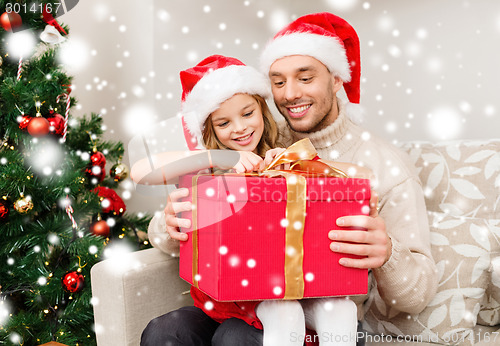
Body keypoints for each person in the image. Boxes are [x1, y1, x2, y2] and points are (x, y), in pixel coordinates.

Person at [155, 12, 439, 345]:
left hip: (321, 309)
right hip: (241, 297)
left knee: (236, 337)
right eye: (278, 81)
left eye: (305, 78)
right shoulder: (260, 140)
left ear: (336, 80)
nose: (289, 94)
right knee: (166, 330)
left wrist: (388, 253)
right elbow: (180, 230)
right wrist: (172, 222)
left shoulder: (386, 165)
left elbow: (417, 295)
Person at [136, 55, 371, 346]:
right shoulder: (204, 171)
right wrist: (221, 157)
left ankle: (328, 319)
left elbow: (360, 177)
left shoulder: (280, 157)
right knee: (164, 331)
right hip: (221, 304)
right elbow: (141, 172)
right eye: (223, 123)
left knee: (244, 333)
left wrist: (292, 163)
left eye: (247, 114)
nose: (239, 128)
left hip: (277, 300)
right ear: (209, 130)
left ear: (262, 110)